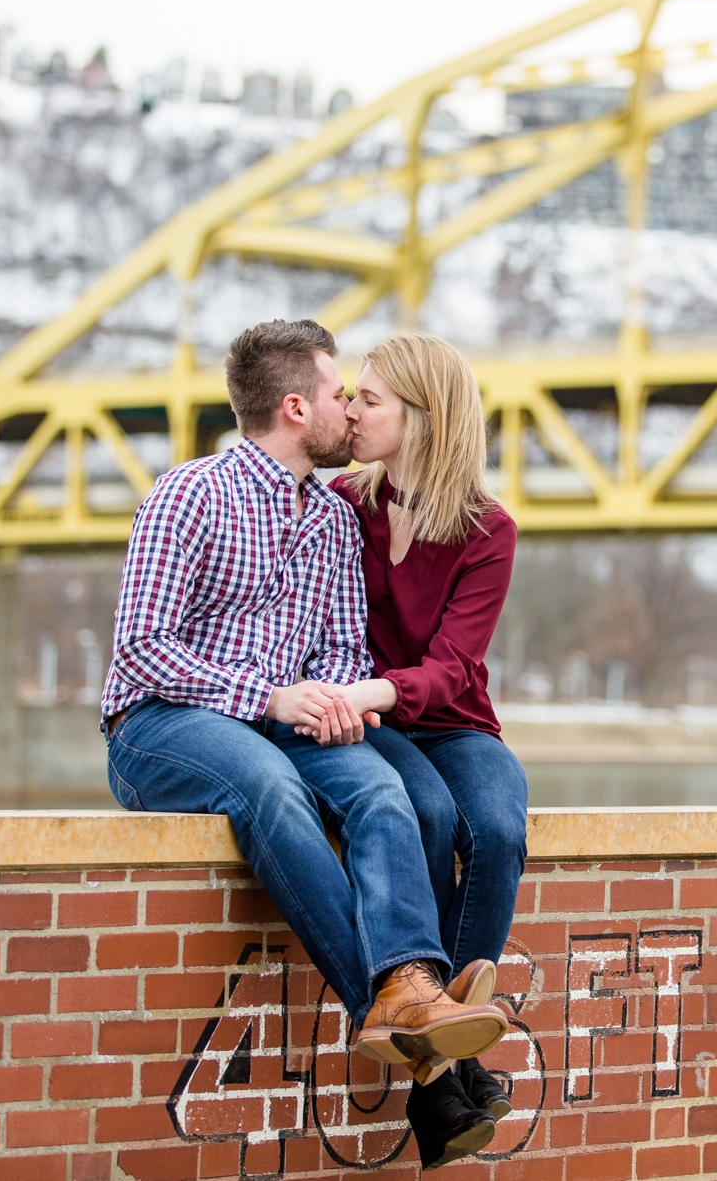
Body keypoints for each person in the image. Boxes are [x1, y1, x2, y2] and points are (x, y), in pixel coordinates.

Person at [99, 318, 506, 1083]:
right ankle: (392, 1004)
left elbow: (343, 649)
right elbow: (140, 651)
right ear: (295, 408)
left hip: (282, 725)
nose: (348, 407)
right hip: (158, 725)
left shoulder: (330, 519)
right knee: (270, 786)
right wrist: (272, 695)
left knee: (384, 789)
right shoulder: (189, 493)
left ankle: (412, 990)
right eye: (337, 391)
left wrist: (334, 700)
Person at [321, 333, 528, 1169]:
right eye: (355, 395)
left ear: (424, 419)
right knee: (430, 813)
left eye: (370, 399)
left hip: (452, 719)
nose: (352, 409)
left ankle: (437, 1066)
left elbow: (451, 668)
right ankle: (452, 1068)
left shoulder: (488, 528)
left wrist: (373, 691)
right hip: (377, 730)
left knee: (499, 827)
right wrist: (364, 702)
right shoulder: (342, 501)